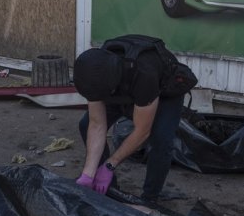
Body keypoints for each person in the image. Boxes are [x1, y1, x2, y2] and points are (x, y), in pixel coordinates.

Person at [72, 35, 191, 206]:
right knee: (85, 125)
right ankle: (107, 187)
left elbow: (142, 131)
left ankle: (150, 198)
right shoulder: (94, 72)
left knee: (161, 139)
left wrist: (110, 165)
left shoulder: (144, 73)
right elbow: (97, 124)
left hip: (164, 89)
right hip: (121, 88)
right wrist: (88, 173)